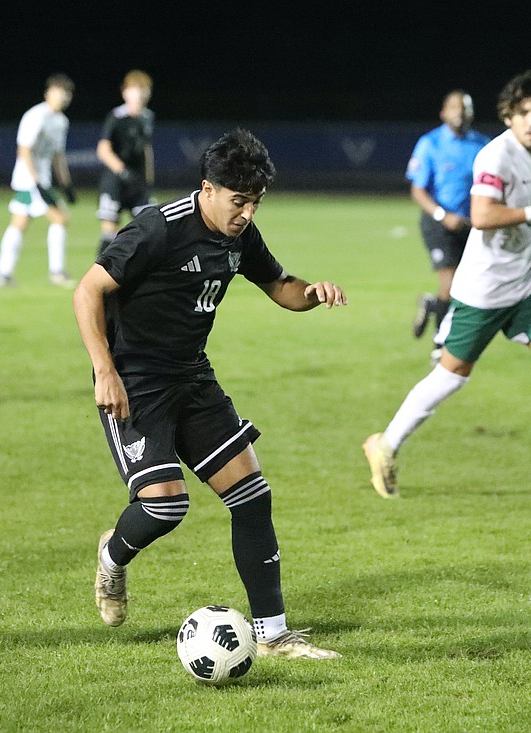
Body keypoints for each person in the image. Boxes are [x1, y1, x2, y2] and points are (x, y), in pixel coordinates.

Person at [73, 128, 346, 660]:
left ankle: (273, 635)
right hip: (135, 383)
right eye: (238, 201)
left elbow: (281, 286)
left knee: (252, 495)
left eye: (255, 202)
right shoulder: (159, 228)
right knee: (165, 507)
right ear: (208, 189)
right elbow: (89, 290)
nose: (247, 213)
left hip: (193, 377)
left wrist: (312, 293)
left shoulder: (241, 235)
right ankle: (112, 556)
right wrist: (104, 370)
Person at [363, 70, 531, 501]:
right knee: (450, 376)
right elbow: (482, 215)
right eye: (523, 112)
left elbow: (519, 212)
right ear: (508, 117)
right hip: (484, 290)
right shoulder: (495, 156)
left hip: (522, 286)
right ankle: (385, 444)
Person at [406, 89, 490, 357]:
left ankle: (433, 305)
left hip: (470, 224)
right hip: (437, 222)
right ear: (443, 113)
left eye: (465, 108)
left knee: (467, 287)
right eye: (455, 107)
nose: (460, 113)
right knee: (451, 283)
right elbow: (418, 190)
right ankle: (441, 347)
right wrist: (443, 215)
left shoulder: (483, 145)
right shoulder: (430, 143)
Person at [0, 74, 77, 288]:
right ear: (48, 92)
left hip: (41, 181)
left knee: (19, 223)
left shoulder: (61, 121)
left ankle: (3, 274)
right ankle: (57, 272)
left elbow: (57, 156)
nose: (63, 97)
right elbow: (23, 150)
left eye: (67, 93)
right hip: (29, 180)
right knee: (60, 218)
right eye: (59, 92)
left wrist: (66, 184)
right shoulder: (36, 115)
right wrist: (35, 181)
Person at [95, 70, 155, 258]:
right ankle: (101, 272)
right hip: (115, 180)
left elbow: (146, 149)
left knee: (151, 228)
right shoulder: (116, 117)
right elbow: (103, 150)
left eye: (143, 90)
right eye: (135, 90)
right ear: (125, 93)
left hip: (137, 181)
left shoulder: (147, 117)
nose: (140, 95)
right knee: (109, 232)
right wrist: (122, 171)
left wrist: (149, 179)